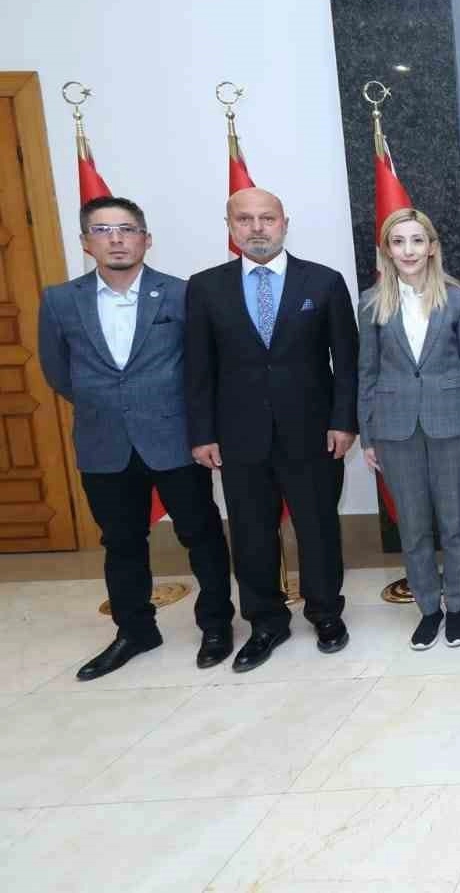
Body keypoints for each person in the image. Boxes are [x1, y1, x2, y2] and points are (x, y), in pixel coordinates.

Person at [37, 196, 235, 680]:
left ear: (146, 239)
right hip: (104, 442)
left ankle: (216, 623)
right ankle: (135, 630)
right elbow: (59, 372)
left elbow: (202, 366)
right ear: (86, 242)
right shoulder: (60, 300)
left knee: (201, 533)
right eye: (103, 231)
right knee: (121, 541)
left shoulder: (181, 294)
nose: (117, 240)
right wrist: (109, 404)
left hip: (175, 437)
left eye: (126, 230)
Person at [185, 187, 359, 673]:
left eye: (267, 218)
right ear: (230, 227)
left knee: (318, 528)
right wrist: (202, 433)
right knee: (250, 532)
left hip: (313, 434)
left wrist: (344, 421)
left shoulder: (323, 282)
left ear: (285, 223)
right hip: (238, 437)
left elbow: (347, 363)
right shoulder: (205, 287)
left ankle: (326, 613)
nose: (257, 228)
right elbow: (197, 368)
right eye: (245, 219)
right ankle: (266, 621)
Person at [358, 208, 460, 651]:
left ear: (432, 247)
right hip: (394, 429)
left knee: (454, 523)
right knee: (413, 527)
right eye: (398, 242)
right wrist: (367, 434)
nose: (408, 250)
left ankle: (456, 606)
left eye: (417, 240)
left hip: (452, 423)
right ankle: (428, 609)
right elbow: (366, 372)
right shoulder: (371, 303)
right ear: (387, 250)